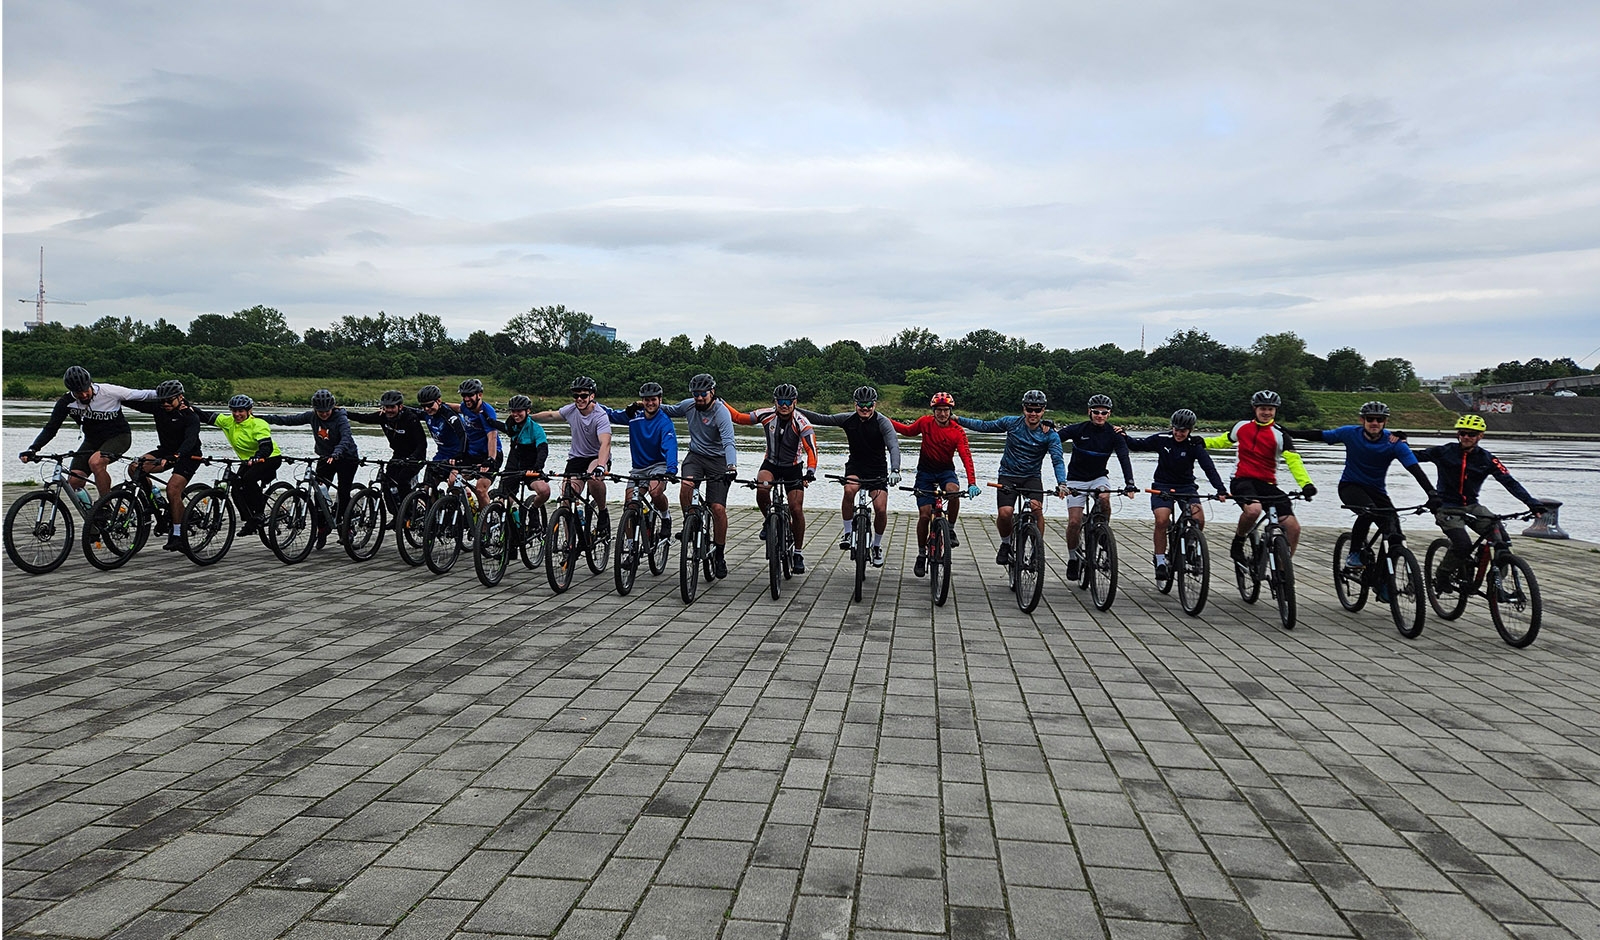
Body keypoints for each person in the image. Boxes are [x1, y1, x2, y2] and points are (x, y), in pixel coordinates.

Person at [1286, 401, 1439, 568]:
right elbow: (1320, 435)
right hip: (1350, 486)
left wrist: (1432, 493)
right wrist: (1289, 432)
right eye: (1370, 419)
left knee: (1395, 533)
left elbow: (1415, 469)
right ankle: (1355, 552)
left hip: (1377, 491)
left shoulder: (1394, 443)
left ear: (1385, 422)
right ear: (1362, 420)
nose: (1375, 423)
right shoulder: (1350, 433)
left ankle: (1384, 582)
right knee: (1368, 512)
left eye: (1379, 420)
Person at [1410, 414, 1546, 592]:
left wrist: (1532, 503)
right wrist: (1398, 443)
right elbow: (1413, 456)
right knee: (1462, 544)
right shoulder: (1444, 451)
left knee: (1501, 539)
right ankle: (1443, 575)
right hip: (1446, 506)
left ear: (1480, 436)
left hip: (1472, 506)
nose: (1466, 437)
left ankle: (1495, 580)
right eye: (1463, 433)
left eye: (1472, 434)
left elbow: (1509, 482)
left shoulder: (1488, 459)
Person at [956, 389, 1067, 566]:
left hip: (1032, 477)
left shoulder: (1050, 434)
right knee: (1005, 513)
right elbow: (984, 426)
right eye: (1029, 409)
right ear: (1023, 409)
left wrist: (1062, 483)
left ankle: (1037, 550)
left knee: (1037, 509)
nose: (1033, 413)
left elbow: (1057, 460)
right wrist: (958, 419)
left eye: (1037, 410)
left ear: (1043, 410)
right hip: (1008, 475)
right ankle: (1006, 544)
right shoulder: (1011, 423)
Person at [1204, 389, 1316, 564]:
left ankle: (1283, 572)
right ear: (1255, 409)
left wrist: (1306, 484)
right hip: (1242, 480)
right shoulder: (1241, 427)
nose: (1266, 412)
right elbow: (1222, 441)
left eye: (1270, 409)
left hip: (1267, 483)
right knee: (1254, 510)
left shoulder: (1281, 435)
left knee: (1293, 527)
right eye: (1262, 408)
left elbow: (1294, 462)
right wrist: (1200, 442)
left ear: (1275, 411)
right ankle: (1239, 541)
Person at [21, 366, 157, 508]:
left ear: (90, 384)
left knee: (96, 462)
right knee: (74, 481)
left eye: (86, 390)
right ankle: (92, 519)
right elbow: (51, 428)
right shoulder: (66, 402)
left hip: (119, 437)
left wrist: (173, 395)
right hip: (92, 441)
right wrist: (33, 448)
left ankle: (105, 506)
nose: (84, 395)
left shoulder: (109, 392)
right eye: (79, 393)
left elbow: (143, 395)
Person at [800, 386, 903, 568]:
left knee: (880, 508)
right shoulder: (847, 419)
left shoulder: (882, 422)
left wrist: (895, 469)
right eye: (861, 405)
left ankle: (877, 545)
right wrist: (794, 408)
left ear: (874, 404)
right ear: (855, 404)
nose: (865, 408)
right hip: (856, 466)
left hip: (877, 469)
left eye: (868, 405)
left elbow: (893, 446)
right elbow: (822, 419)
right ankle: (848, 532)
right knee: (849, 490)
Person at [1122, 409, 1227, 581]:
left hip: (1186, 487)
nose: (1178, 434)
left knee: (1198, 518)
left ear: (1190, 430)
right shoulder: (1161, 439)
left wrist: (1220, 489)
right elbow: (1137, 445)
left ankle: (1191, 544)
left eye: (1183, 431)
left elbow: (1209, 467)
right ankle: (1160, 560)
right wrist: (1124, 436)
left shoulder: (1195, 444)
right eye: (1176, 429)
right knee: (1162, 520)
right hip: (1162, 486)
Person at [728, 384, 818, 573]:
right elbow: (739, 418)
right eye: (780, 402)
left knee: (795, 508)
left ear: (794, 403)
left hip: (793, 468)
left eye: (787, 402)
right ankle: (769, 520)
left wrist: (810, 471)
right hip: (771, 464)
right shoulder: (766, 415)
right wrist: (720, 402)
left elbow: (811, 449)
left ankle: (798, 553)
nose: (784, 406)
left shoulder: (802, 422)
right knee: (762, 487)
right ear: (775, 402)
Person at [890, 391, 979, 578]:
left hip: (946, 472)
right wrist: (885, 420)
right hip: (925, 473)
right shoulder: (925, 423)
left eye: (946, 410)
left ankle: (951, 529)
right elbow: (907, 431)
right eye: (939, 410)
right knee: (924, 516)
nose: (942, 414)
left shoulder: (957, 431)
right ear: (933, 411)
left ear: (950, 411)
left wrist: (972, 483)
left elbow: (966, 457)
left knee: (954, 492)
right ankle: (922, 554)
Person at [659, 373, 739, 579]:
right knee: (686, 486)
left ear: (712, 392)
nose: (699, 398)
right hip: (696, 456)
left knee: (717, 508)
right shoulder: (689, 405)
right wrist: (643, 405)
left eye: (703, 394)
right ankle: (690, 524)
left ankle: (719, 554)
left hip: (719, 460)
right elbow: (668, 409)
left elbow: (729, 441)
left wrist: (731, 466)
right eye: (696, 394)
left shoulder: (721, 412)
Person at [262, 389, 359, 550]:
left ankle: (346, 527)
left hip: (346, 458)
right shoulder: (311, 416)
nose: (324, 414)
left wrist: (337, 452)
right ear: (315, 409)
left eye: (327, 411)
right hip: (324, 457)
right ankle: (322, 529)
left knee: (343, 492)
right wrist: (261, 418)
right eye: (320, 411)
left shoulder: (340, 417)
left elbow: (346, 437)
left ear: (332, 407)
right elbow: (287, 420)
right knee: (318, 494)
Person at [1057, 394, 1138, 581]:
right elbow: (1054, 439)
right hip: (1076, 479)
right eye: (1096, 412)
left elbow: (1124, 457)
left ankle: (1102, 530)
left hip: (1099, 477)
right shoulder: (1079, 429)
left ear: (1109, 414)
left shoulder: (1114, 434)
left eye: (1104, 412)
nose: (1099, 415)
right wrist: (1048, 426)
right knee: (1074, 523)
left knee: (1104, 499)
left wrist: (1130, 483)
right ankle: (1072, 559)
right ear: (1089, 412)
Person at [529, 376, 614, 539]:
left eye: (583, 396)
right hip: (576, 458)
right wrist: (529, 417)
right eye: (576, 396)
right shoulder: (571, 410)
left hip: (596, 457)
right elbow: (551, 416)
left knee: (593, 479)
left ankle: (603, 512)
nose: (579, 399)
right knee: (566, 500)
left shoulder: (600, 416)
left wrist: (601, 466)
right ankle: (570, 545)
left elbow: (605, 444)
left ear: (592, 396)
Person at [124, 380, 204, 551]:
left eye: (169, 400)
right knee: (135, 467)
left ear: (180, 397)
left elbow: (190, 440)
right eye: (162, 400)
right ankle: (153, 498)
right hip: (166, 451)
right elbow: (132, 403)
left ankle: (177, 534)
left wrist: (176, 456)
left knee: (173, 489)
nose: (165, 404)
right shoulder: (159, 408)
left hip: (189, 455)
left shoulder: (190, 416)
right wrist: (110, 396)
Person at [193, 394, 281, 536]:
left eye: (241, 411)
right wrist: (186, 405)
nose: (237, 414)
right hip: (248, 460)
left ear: (249, 411)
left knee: (248, 479)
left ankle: (259, 513)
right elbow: (205, 416)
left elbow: (266, 446)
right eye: (234, 411)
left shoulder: (258, 424)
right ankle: (250, 520)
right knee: (235, 487)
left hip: (269, 458)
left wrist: (258, 456)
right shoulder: (228, 422)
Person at [605, 382, 679, 545]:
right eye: (646, 400)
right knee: (630, 505)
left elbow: (670, 446)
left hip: (659, 465)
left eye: (653, 399)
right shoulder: (634, 415)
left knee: (655, 492)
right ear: (642, 401)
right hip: (638, 468)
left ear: (660, 400)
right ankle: (631, 546)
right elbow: (610, 414)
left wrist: (671, 469)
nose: (650, 403)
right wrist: (590, 402)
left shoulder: (664, 421)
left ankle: (665, 517)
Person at [348, 390, 429, 515]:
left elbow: (422, 444)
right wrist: (342, 413)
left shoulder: (411, 419)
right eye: (386, 407)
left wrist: (412, 458)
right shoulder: (382, 416)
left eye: (392, 407)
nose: (389, 410)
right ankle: (397, 515)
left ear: (400, 406)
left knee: (402, 480)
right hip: (398, 455)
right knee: (386, 482)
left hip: (415, 457)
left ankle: (407, 512)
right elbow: (362, 417)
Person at [484, 394, 552, 516]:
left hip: (531, 468)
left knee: (544, 491)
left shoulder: (536, 429)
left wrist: (538, 466)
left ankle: (533, 509)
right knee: (504, 503)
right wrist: (488, 420)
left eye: (519, 411)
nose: (515, 414)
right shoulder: (512, 425)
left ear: (528, 411)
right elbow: (503, 427)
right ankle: (508, 528)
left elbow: (543, 450)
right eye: (513, 411)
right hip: (513, 468)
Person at [454, 378, 501, 511]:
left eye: (470, 395)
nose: (466, 399)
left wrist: (490, 460)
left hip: (491, 453)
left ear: (479, 395)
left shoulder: (487, 411)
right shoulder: (464, 407)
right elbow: (457, 408)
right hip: (472, 453)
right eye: (464, 395)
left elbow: (492, 437)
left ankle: (484, 524)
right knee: (453, 481)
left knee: (480, 489)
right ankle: (471, 507)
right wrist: (441, 405)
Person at [416, 384, 469, 489]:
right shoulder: (427, 413)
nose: (426, 409)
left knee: (453, 484)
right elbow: (408, 411)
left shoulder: (449, 415)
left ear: (439, 401)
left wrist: (459, 456)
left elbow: (464, 435)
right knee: (427, 487)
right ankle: (435, 504)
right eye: (423, 406)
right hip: (442, 455)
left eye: (430, 405)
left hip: (459, 455)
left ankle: (465, 499)